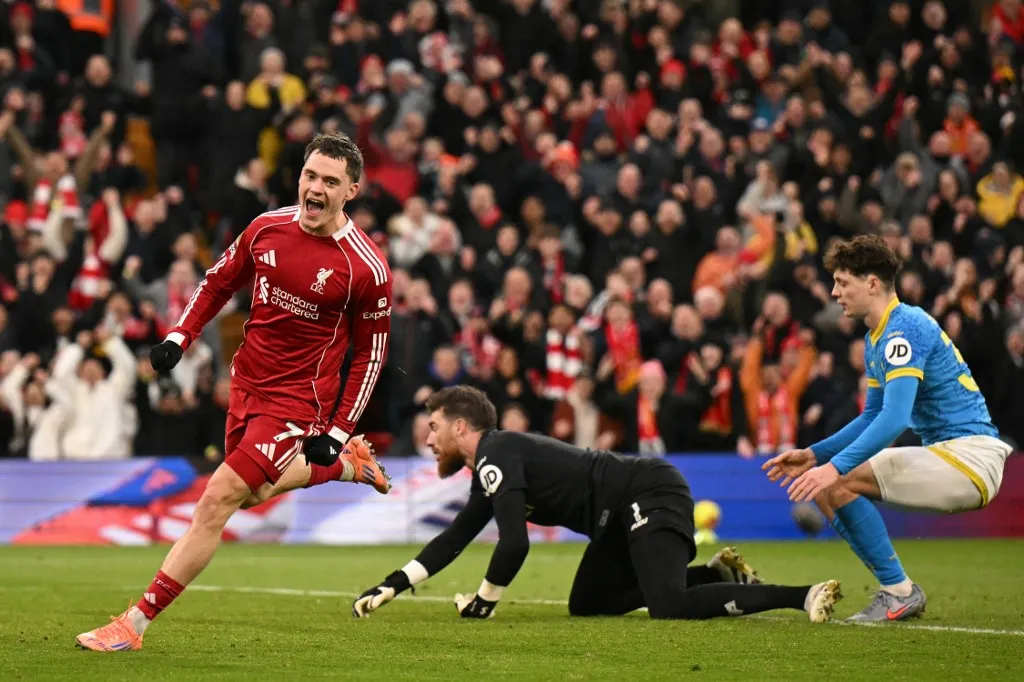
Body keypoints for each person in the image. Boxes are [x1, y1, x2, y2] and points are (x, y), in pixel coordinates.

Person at [76, 132, 394, 652]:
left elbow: (370, 355)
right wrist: (179, 336)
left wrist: (337, 429)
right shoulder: (266, 227)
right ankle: (348, 468)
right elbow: (218, 281)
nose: (316, 188)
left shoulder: (366, 267)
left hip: (298, 401)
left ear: (351, 191)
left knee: (217, 500)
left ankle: (133, 624)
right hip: (246, 383)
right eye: (310, 175)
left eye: (330, 182)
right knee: (256, 494)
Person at [352, 385, 842, 622]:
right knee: (588, 604)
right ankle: (716, 576)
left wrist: (485, 600)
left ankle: (801, 595)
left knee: (668, 606)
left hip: (646, 492)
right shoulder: (492, 466)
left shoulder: (496, 453)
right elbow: (456, 537)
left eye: (434, 427)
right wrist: (394, 584)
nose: (428, 438)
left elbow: (515, 544)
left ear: (461, 427)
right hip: (616, 520)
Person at [763, 235, 1014, 622]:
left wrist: (835, 467)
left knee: (836, 482)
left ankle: (899, 592)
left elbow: (895, 419)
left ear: (872, 283)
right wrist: (815, 455)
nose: (835, 292)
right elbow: (872, 416)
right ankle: (897, 590)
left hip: (970, 458)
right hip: (949, 454)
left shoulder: (903, 329)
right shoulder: (876, 338)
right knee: (830, 487)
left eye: (842, 282)